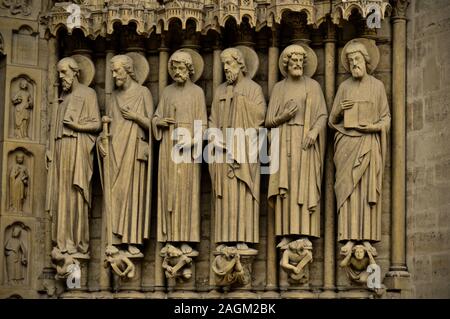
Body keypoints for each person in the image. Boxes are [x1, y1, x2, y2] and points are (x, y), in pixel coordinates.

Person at [329, 39, 390, 254]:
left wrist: (373, 127)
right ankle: (347, 236)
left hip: (368, 144)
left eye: (357, 59)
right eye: (351, 60)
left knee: (365, 193)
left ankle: (366, 238)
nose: (354, 63)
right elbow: (331, 121)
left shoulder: (377, 86)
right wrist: (339, 111)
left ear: (366, 61)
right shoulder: (344, 87)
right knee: (348, 191)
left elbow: (386, 119)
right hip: (346, 144)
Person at [266, 44, 327, 240]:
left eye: (301, 61)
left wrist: (314, 132)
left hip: (306, 141)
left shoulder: (313, 86)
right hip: (284, 141)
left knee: (305, 184)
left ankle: (306, 232)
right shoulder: (279, 88)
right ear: (286, 64)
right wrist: (283, 117)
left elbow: (322, 115)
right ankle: (285, 232)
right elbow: (268, 121)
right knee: (287, 187)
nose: (298, 64)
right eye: (294, 61)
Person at [208, 47, 266, 248]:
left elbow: (260, 117)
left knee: (243, 194)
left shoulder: (253, 89)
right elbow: (212, 120)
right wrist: (214, 136)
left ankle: (244, 238)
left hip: (245, 150)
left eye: (229, 63)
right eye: (223, 64)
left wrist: (241, 101)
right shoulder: (220, 91)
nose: (226, 68)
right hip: (223, 152)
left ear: (240, 64)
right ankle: (225, 239)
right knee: (225, 198)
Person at [152, 50, 206, 246]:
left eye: (181, 68)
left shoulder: (197, 92)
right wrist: (159, 122)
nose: (177, 72)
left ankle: (186, 238)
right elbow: (156, 117)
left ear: (189, 69)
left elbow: (204, 126)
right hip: (168, 145)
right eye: (174, 68)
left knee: (187, 192)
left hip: (188, 149)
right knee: (168, 192)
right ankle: (169, 237)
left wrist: (192, 141)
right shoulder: (167, 92)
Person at [101, 54, 153, 255]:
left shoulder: (143, 93)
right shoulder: (113, 97)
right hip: (115, 151)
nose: (114, 75)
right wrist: (101, 143)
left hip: (133, 151)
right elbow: (107, 128)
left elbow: (152, 125)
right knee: (115, 195)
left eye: (117, 70)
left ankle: (132, 240)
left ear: (128, 70)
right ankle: (114, 238)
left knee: (133, 194)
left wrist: (135, 117)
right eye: (112, 71)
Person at [48, 57, 101, 256]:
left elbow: (96, 124)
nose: (61, 77)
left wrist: (77, 127)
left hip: (78, 148)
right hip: (61, 149)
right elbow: (54, 128)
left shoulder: (88, 94)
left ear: (75, 72)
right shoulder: (61, 98)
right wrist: (49, 148)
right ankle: (62, 242)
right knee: (60, 196)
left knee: (75, 194)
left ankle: (77, 243)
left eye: (64, 72)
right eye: (59, 73)